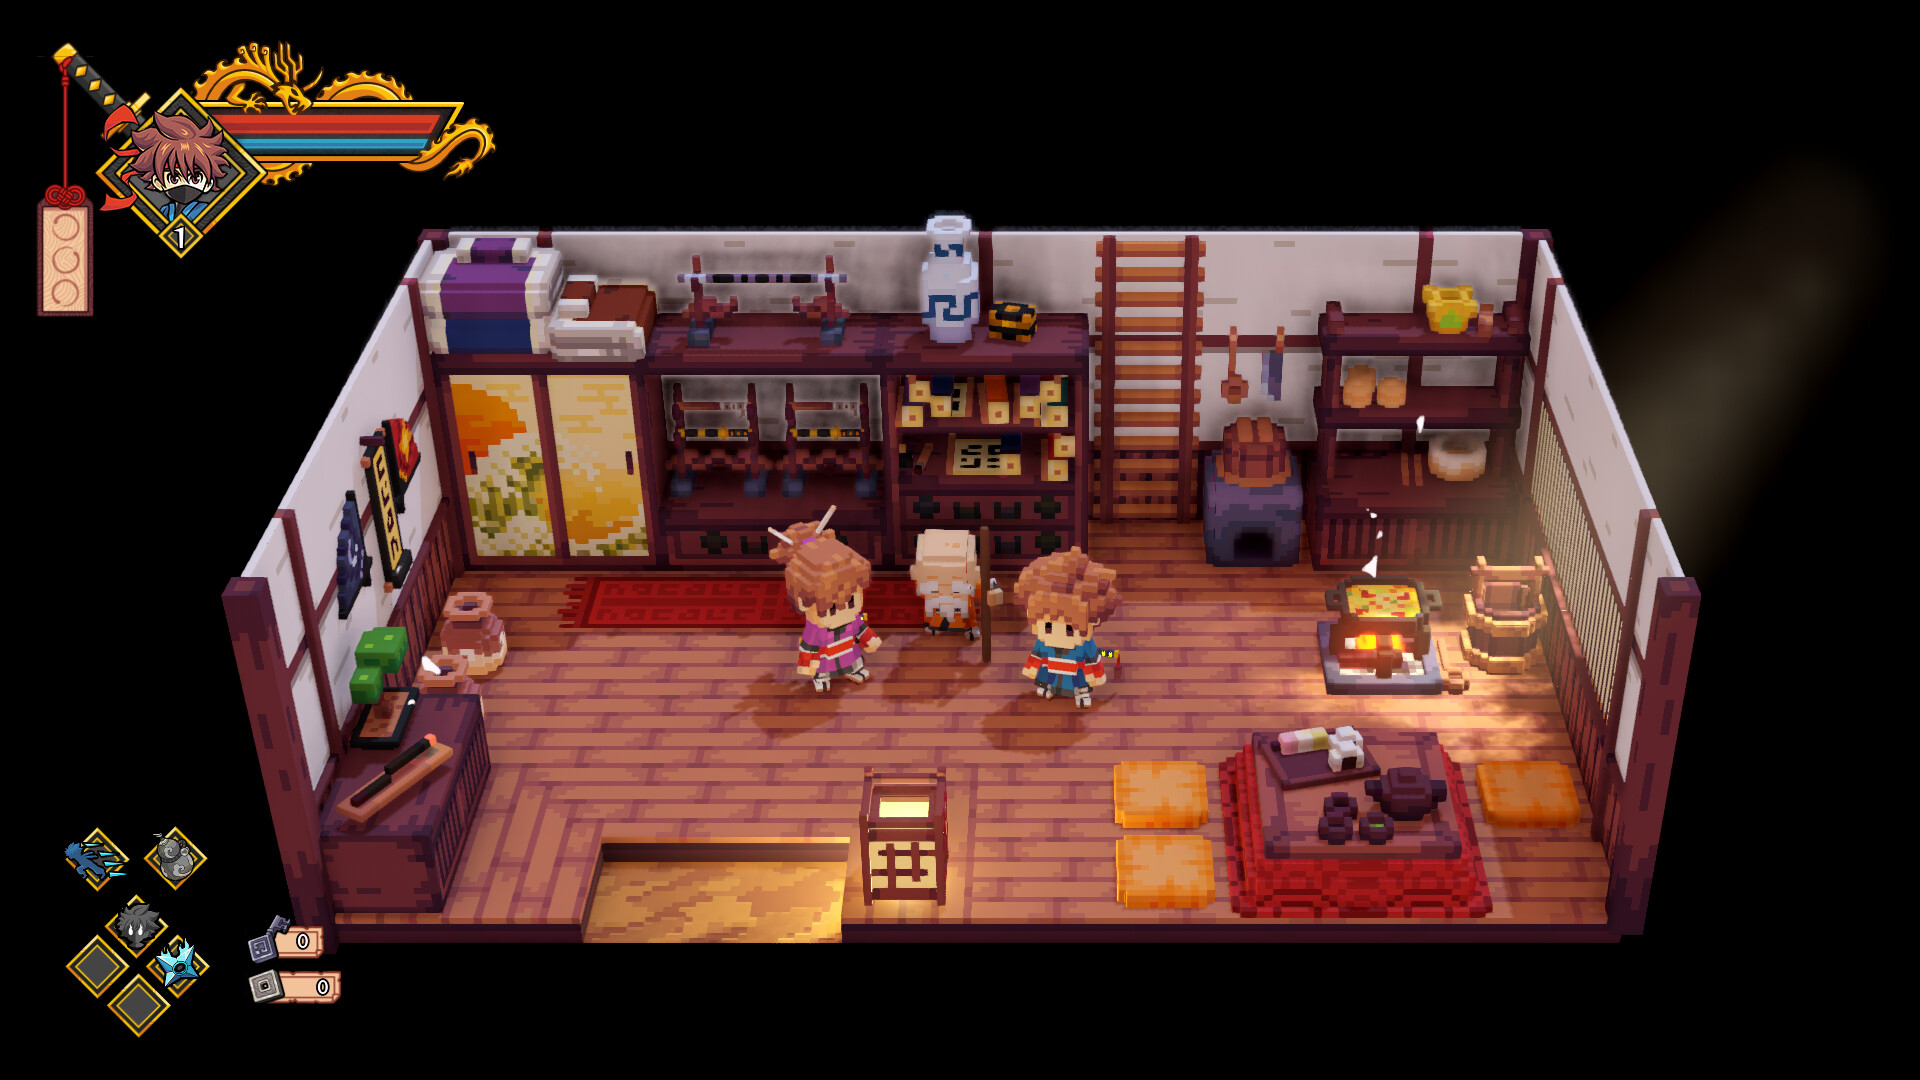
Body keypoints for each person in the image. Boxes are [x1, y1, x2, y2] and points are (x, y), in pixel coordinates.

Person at [770, 511, 883, 691]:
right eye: (831, 608)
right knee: (822, 669)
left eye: (851, 601)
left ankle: (854, 670)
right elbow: (809, 648)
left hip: (849, 653)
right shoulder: (815, 629)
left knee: (853, 661)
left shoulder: (853, 619)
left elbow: (861, 630)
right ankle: (821, 678)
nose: (843, 609)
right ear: (804, 603)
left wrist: (870, 640)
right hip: (825, 660)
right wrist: (808, 665)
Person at [1014, 547, 1123, 708]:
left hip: (1075, 673)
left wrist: (1094, 677)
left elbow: (1091, 660)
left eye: (1069, 630)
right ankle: (1048, 687)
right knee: (1048, 678)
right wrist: (1032, 669)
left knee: (1079, 683)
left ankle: (1081, 694)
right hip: (1051, 671)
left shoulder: (1084, 645)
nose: (1057, 635)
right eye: (1048, 627)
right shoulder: (1044, 642)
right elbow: (1037, 656)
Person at [124, 113, 235, 224]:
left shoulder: (205, 211)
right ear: (158, 182)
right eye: (174, 178)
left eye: (195, 178)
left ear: (208, 184)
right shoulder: (165, 211)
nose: (185, 185)